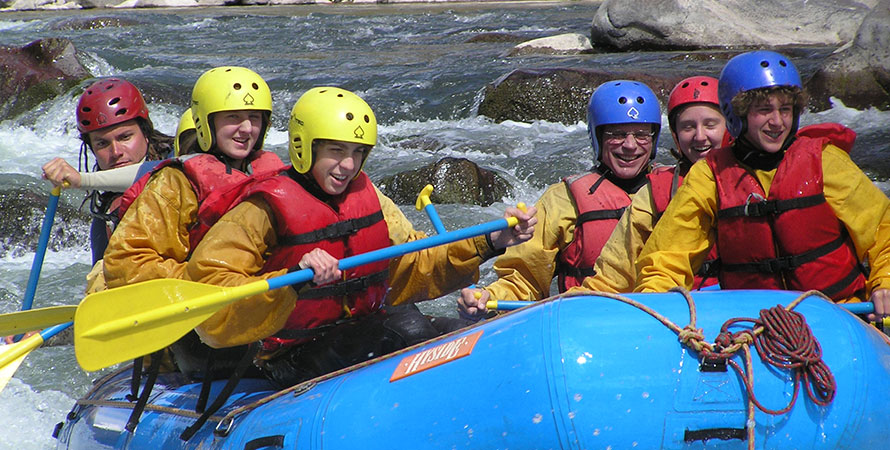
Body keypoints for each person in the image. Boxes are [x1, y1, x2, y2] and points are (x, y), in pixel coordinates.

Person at [185, 86, 537, 388]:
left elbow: (415, 262)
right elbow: (211, 289)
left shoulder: (368, 198)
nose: (348, 166)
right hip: (291, 356)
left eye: (357, 153)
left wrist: (491, 241)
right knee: (408, 329)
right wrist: (291, 279)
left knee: (468, 335)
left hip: (363, 329)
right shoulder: (262, 208)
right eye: (336, 151)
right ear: (304, 146)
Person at [634, 50, 890, 322]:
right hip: (753, 325)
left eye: (785, 109)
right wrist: (654, 303)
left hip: (838, 314)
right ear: (738, 114)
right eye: (764, 110)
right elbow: (666, 257)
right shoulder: (709, 176)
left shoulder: (826, 161)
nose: (777, 122)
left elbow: (881, 231)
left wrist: (884, 281)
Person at [458, 80, 661, 317]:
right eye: (616, 134)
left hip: (664, 318)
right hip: (588, 320)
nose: (630, 145)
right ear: (597, 137)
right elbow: (524, 279)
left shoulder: (676, 188)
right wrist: (490, 299)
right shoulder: (562, 200)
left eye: (641, 135)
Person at [102, 66, 284, 289]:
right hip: (198, 297)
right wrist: (204, 276)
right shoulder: (176, 182)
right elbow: (125, 264)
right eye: (233, 117)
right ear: (206, 123)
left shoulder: (275, 175)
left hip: (253, 290)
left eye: (254, 118)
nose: (246, 128)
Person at [573, 76, 726, 294]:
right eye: (688, 127)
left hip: (751, 308)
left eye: (710, 124)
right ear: (675, 134)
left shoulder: (758, 180)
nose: (700, 136)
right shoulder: (654, 193)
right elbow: (611, 278)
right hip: (681, 310)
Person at [41, 78, 172, 265]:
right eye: (102, 143)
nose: (116, 152)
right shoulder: (104, 218)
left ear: (145, 132)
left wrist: (82, 180)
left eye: (125, 137)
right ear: (91, 148)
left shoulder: (182, 157)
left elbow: (160, 174)